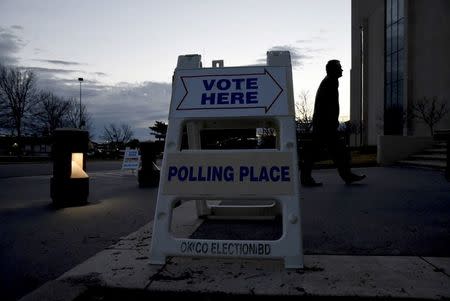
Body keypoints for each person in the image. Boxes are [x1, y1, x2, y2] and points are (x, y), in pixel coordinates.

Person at [300, 60, 366, 187]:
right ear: (332, 70)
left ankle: (346, 176)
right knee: (333, 152)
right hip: (325, 126)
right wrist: (330, 123)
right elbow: (326, 107)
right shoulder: (329, 82)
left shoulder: (331, 81)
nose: (342, 70)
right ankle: (346, 176)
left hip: (324, 125)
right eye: (339, 68)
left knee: (331, 152)